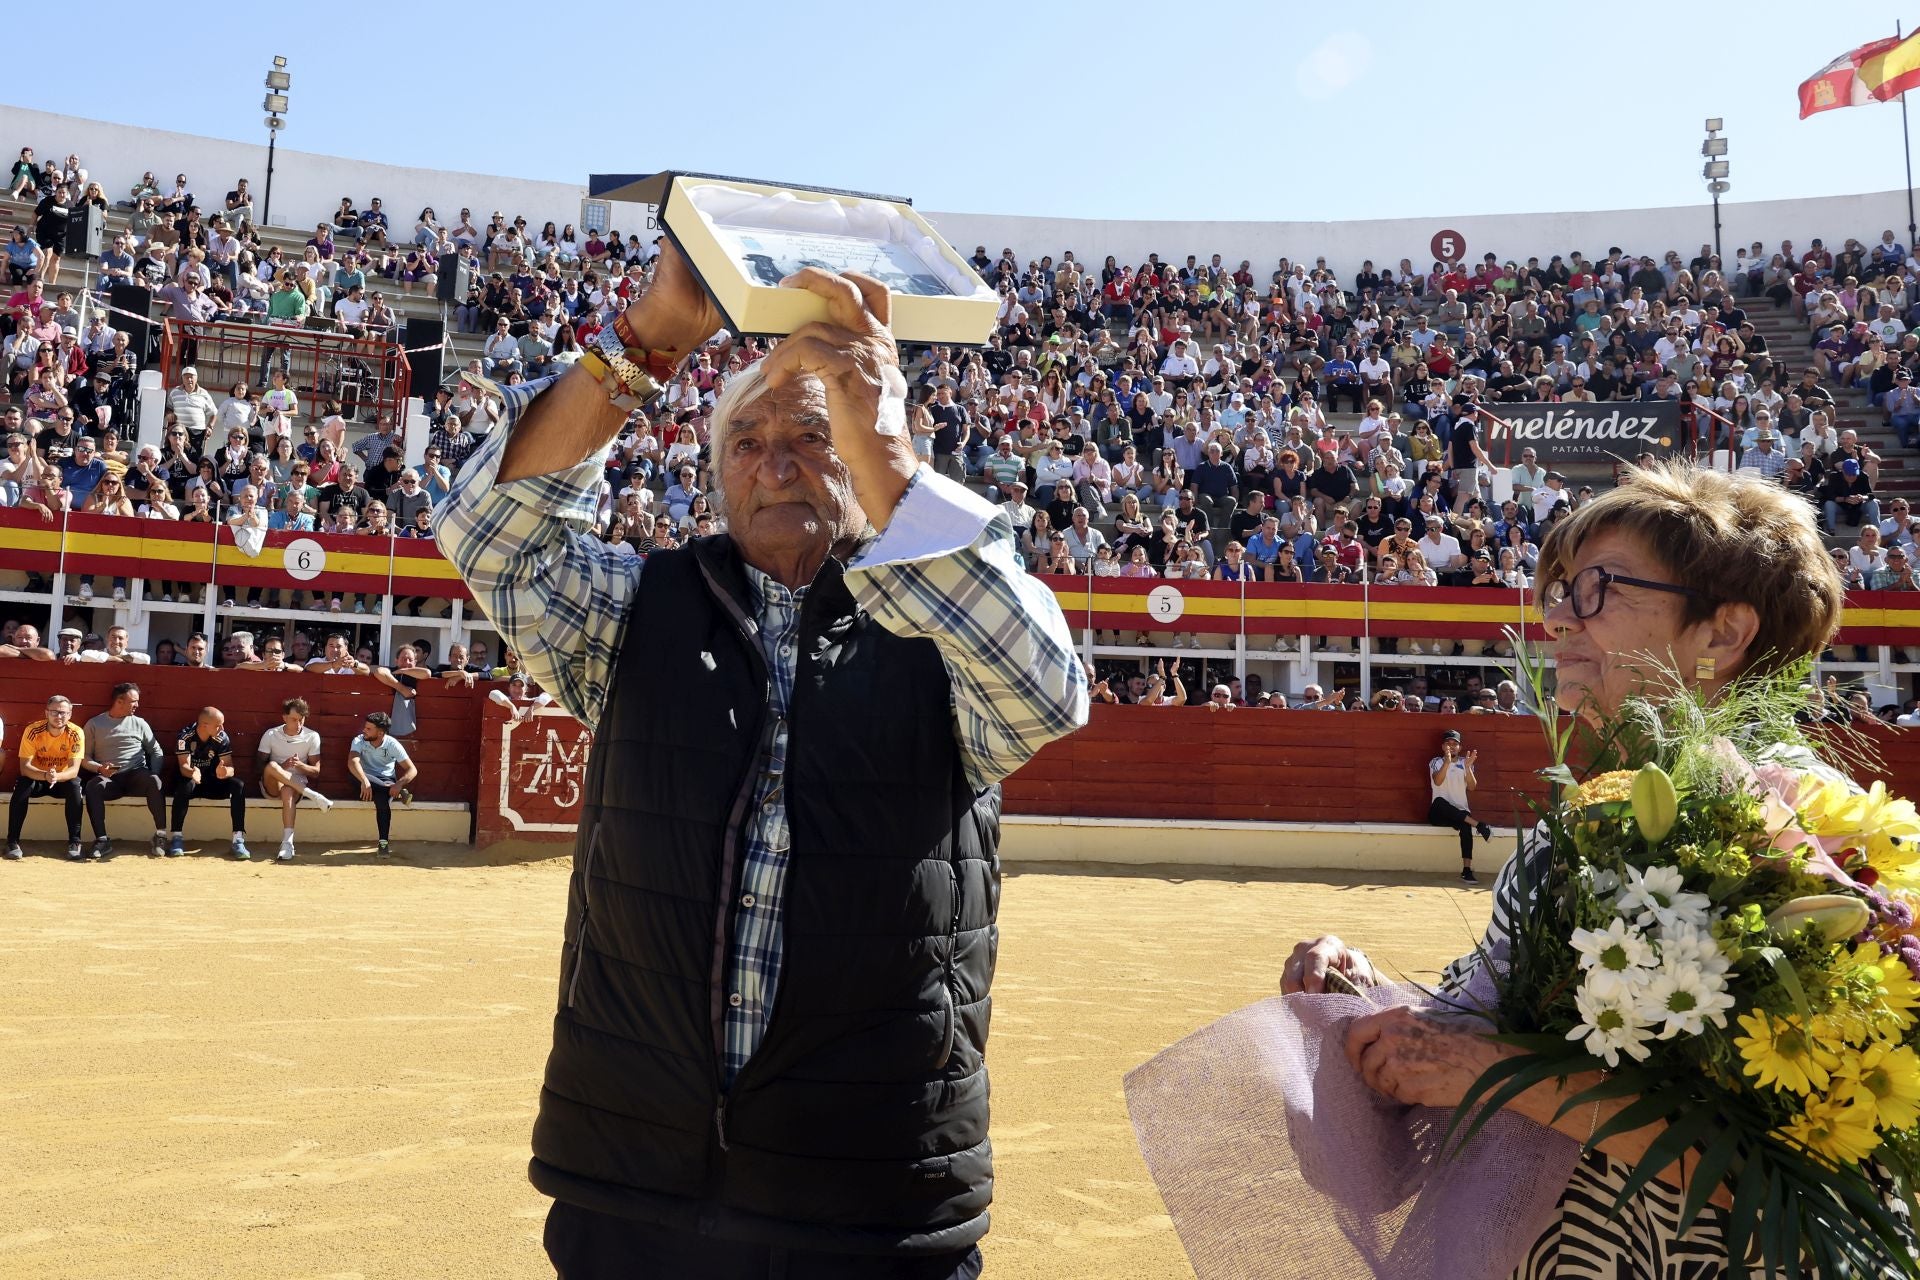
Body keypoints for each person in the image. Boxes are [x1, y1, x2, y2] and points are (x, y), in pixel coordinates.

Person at [434, 243, 1087, 1277]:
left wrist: (889, 449)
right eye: (746, 441)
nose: (775, 464)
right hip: (636, 1190)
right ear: (717, 474)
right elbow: (487, 536)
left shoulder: (943, 624)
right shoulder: (636, 609)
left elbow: (1047, 689)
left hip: (870, 1202)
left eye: (812, 438)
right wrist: (647, 342)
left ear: (866, 455)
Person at [1280, 460, 1847, 1276]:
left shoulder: (1815, 829)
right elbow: (1477, 1033)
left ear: (1722, 634)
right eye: (1560, 592)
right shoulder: (1578, 825)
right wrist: (1368, 1004)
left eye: (1598, 589)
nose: (1556, 620)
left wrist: (1493, 1074)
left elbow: (1803, 1168)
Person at [79, 682, 168, 859]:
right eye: (133, 701)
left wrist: (154, 772)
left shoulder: (139, 723)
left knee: (154, 781)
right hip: (110, 779)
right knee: (93, 786)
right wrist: (99, 768)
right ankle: (102, 840)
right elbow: (84, 757)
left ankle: (160, 836)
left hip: (136, 775)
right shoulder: (94, 724)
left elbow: (156, 750)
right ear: (119, 701)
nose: (137, 705)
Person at [6, 694, 84, 861]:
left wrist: (56, 776)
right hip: (38, 778)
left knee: (75, 785)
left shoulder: (76, 733)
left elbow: (74, 770)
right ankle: (12, 842)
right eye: (54, 712)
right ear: (46, 713)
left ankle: (75, 842)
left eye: (63, 713)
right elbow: (25, 768)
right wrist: (45, 775)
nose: (59, 716)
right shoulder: (33, 731)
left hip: (62, 780)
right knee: (23, 784)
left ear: (70, 714)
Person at [257, 696, 334, 862]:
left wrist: (300, 765)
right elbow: (259, 766)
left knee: (288, 790)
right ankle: (314, 796)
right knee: (272, 766)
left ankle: (287, 843)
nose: (298, 724)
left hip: (295, 786)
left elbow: (315, 771)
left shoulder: (312, 736)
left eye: (301, 719)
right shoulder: (271, 734)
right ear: (284, 717)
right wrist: (283, 766)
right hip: (272, 783)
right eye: (294, 719)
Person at [169, 707, 252, 860]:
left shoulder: (221, 737)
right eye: (218, 725)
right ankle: (176, 838)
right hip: (192, 782)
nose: (222, 729)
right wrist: (193, 772)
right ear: (204, 725)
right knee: (185, 785)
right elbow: (183, 766)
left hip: (213, 781)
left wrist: (225, 772)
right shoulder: (186, 736)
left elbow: (230, 767)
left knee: (238, 785)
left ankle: (238, 840)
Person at [346, 711, 416, 858]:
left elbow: (412, 769)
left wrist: (399, 784)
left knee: (382, 800)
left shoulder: (392, 744)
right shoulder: (359, 740)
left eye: (369, 729)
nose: (364, 730)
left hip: (384, 780)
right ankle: (395, 793)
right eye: (365, 727)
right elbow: (352, 762)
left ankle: (383, 843)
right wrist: (364, 781)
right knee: (354, 776)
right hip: (363, 780)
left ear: (380, 733)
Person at [1426, 727, 1491, 882]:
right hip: (1439, 814)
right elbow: (1437, 781)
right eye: (1448, 743)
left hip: (1460, 812)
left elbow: (1472, 787)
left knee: (1465, 826)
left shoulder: (1465, 763)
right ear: (1443, 747)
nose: (1451, 746)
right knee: (1440, 802)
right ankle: (1479, 825)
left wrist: (1468, 768)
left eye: (1455, 744)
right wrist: (1447, 762)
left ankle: (1466, 870)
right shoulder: (1436, 762)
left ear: (1460, 747)